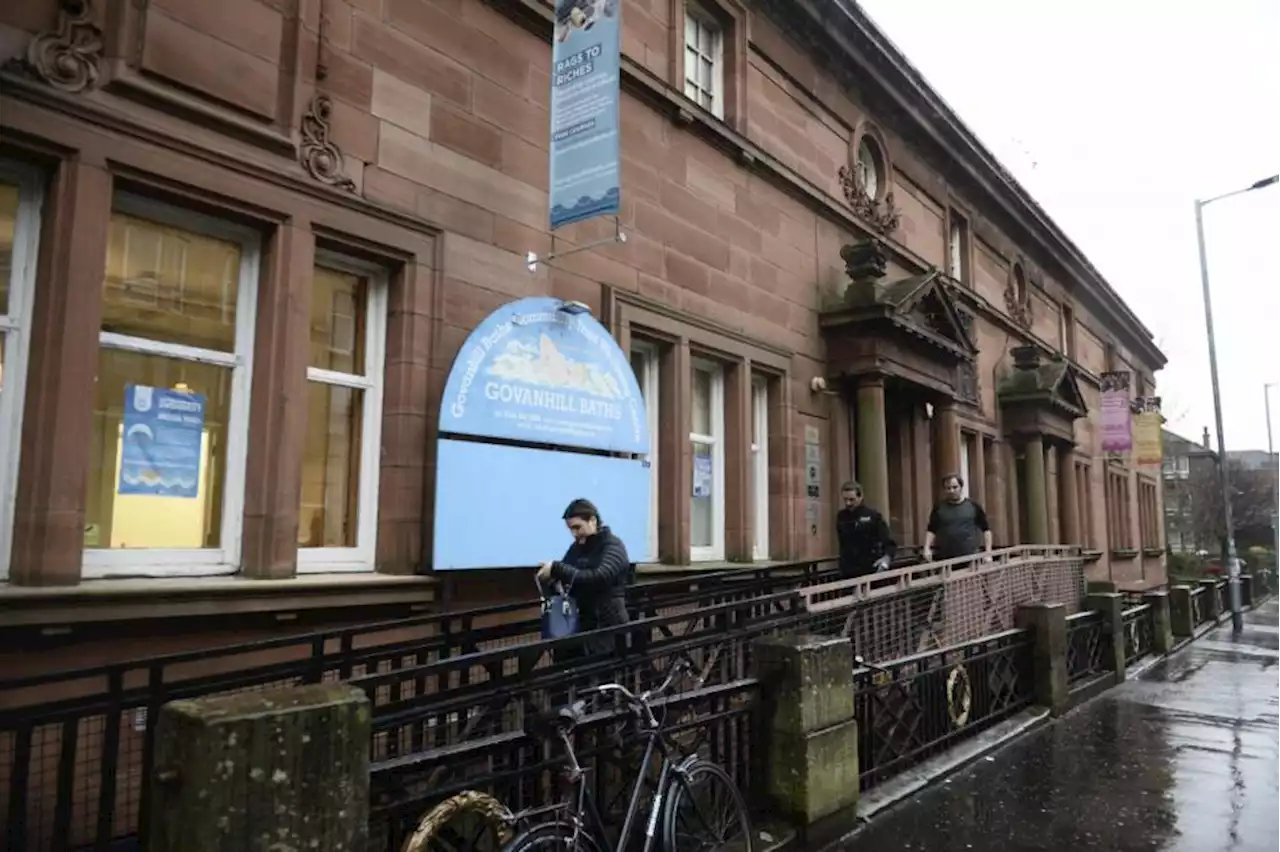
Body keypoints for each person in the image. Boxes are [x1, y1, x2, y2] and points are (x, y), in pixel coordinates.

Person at [537, 498, 633, 657]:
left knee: (603, 675)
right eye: (570, 529)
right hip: (582, 624)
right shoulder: (577, 548)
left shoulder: (613, 546)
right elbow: (569, 573)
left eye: (577, 527)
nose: (574, 533)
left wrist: (557, 568)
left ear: (593, 521)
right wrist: (552, 577)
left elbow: (600, 577)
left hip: (608, 626)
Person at [923, 473, 992, 564]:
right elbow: (931, 529)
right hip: (946, 558)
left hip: (970, 557)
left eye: (955, 487)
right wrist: (926, 548)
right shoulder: (939, 507)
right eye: (948, 488)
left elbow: (986, 530)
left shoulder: (973, 505)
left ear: (961, 487)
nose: (951, 491)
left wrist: (988, 553)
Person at [836, 480, 896, 578]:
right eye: (845, 499)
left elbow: (889, 543)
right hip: (848, 571)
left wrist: (886, 559)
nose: (848, 503)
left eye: (852, 499)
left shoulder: (873, 516)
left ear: (860, 497)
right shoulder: (841, 516)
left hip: (870, 569)